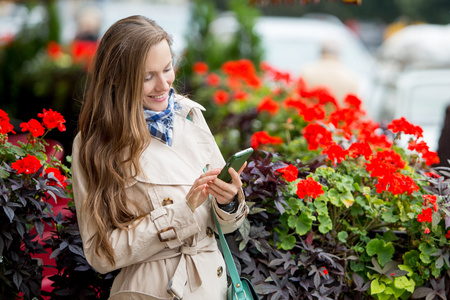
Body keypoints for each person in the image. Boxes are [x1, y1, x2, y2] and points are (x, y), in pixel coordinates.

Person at [71, 15, 249, 300]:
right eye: (146, 77)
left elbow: (221, 226)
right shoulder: (95, 142)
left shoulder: (189, 115)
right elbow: (100, 254)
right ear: (117, 79)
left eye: (167, 69)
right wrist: (181, 212)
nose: (164, 85)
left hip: (214, 287)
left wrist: (227, 202)